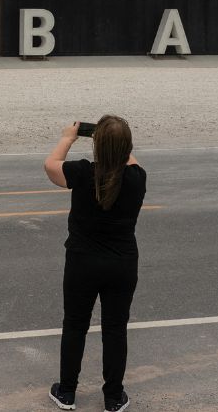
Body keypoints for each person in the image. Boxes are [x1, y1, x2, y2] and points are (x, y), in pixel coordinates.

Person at [44, 115, 145, 412]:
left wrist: (68, 138)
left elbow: (50, 166)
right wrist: (114, 142)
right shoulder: (137, 178)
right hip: (122, 265)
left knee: (75, 325)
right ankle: (113, 397)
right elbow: (127, 159)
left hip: (82, 262)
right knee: (115, 328)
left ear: (97, 145)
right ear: (127, 146)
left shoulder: (83, 173)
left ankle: (67, 392)